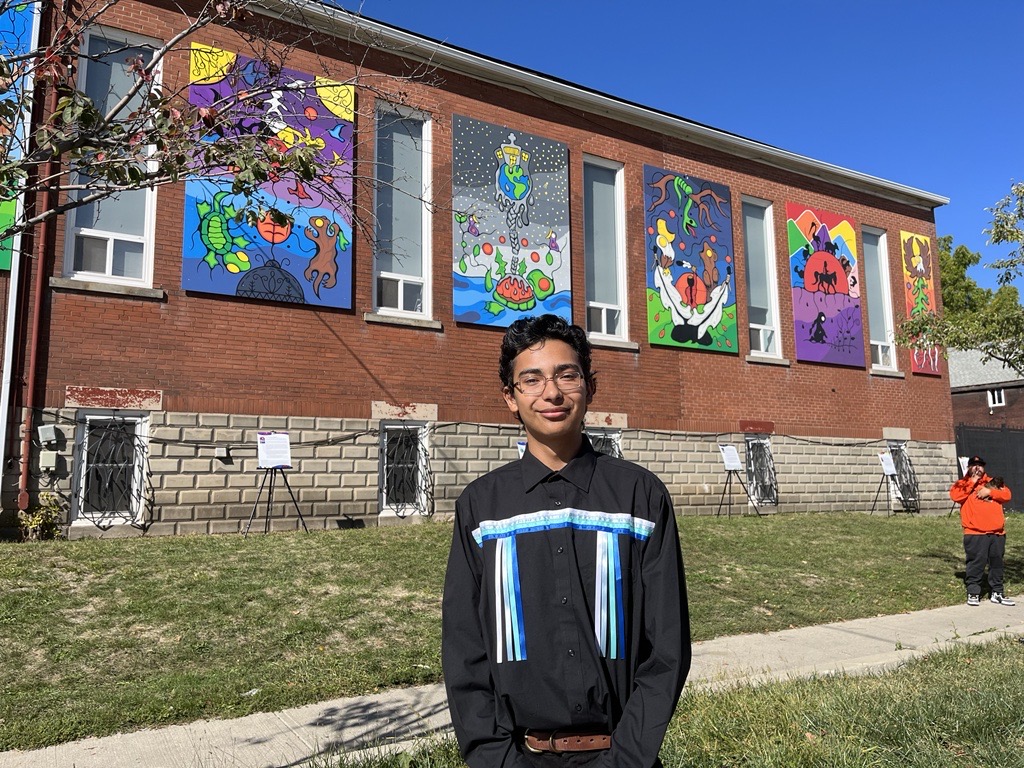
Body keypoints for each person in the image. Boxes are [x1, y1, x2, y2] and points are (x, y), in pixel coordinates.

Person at [442, 314, 690, 767]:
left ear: (590, 387)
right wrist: (496, 759)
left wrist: (627, 759)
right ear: (510, 398)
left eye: (566, 375)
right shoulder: (482, 507)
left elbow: (667, 650)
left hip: (624, 755)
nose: (551, 393)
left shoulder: (639, 497)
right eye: (531, 379)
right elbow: (464, 653)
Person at [949, 455, 1014, 607]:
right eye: (974, 465)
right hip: (975, 532)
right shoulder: (962, 484)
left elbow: (1007, 495)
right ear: (968, 467)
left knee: (997, 563)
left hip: (997, 533)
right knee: (976, 563)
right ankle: (973, 592)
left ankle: (997, 593)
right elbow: (956, 496)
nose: (977, 468)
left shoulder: (993, 482)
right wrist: (972, 482)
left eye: (980, 465)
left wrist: (989, 492)